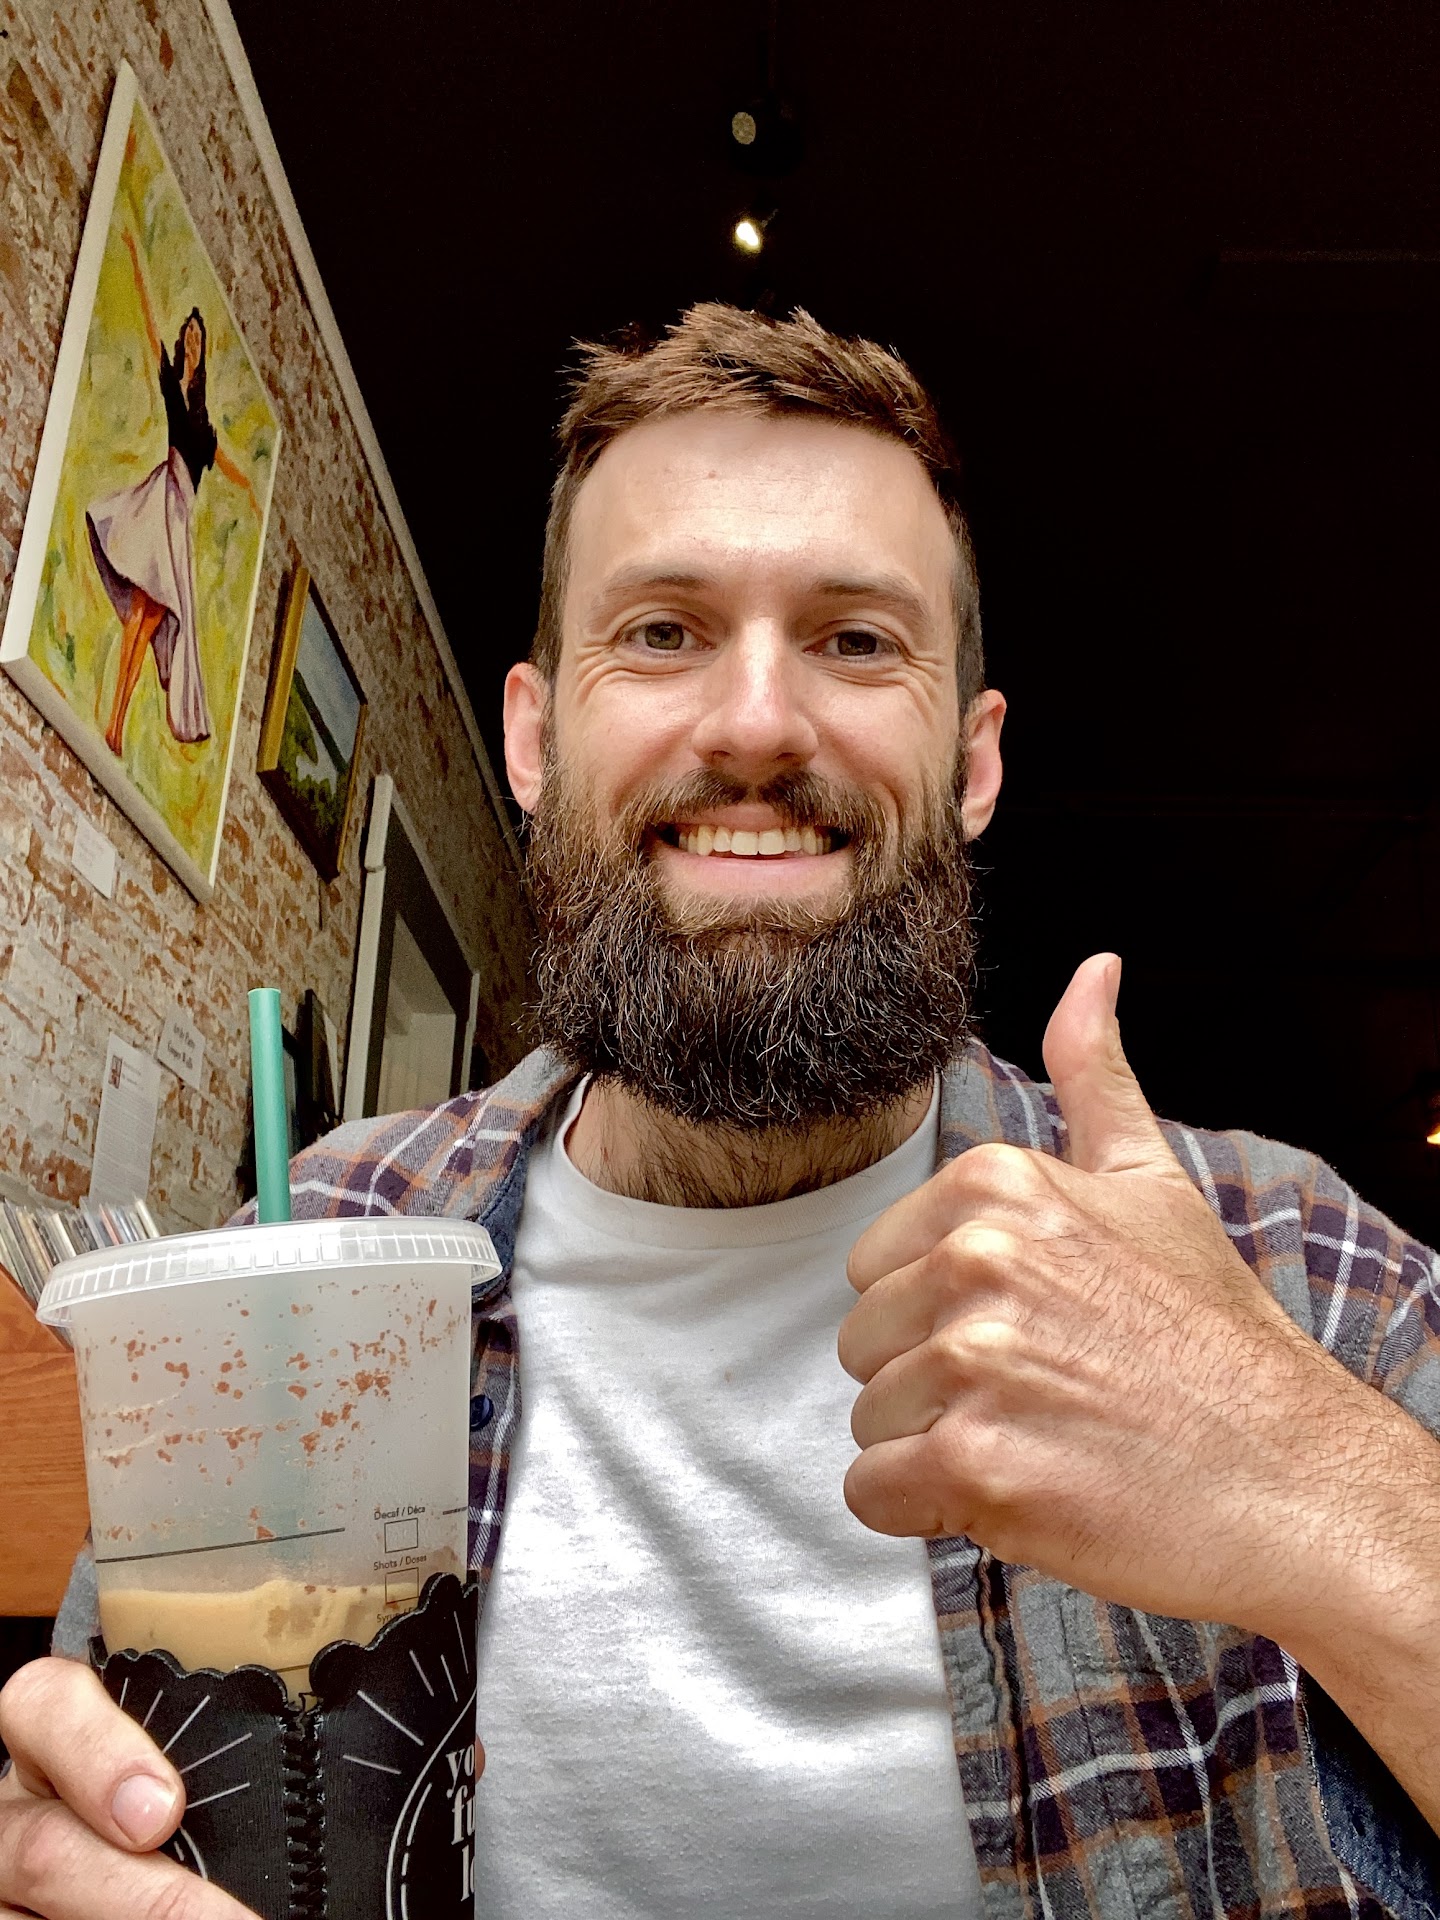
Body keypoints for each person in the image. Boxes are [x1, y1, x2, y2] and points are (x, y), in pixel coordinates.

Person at [3, 303, 1439, 1919]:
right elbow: (104, 1806)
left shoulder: (1285, 1267)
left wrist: (1314, 1478)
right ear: (534, 738)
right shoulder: (320, 1245)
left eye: (857, 641)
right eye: (664, 633)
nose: (756, 723)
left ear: (974, 764)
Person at [86, 226, 258, 756]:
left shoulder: (203, 420)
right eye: (189, 333)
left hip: (179, 520)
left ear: (203, 350)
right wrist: (137, 259)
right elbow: (146, 322)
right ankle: (115, 723)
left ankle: (119, 725)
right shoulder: (171, 384)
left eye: (198, 337)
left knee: (149, 622)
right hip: (158, 507)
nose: (191, 339)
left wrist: (253, 492)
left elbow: (224, 463)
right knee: (140, 617)